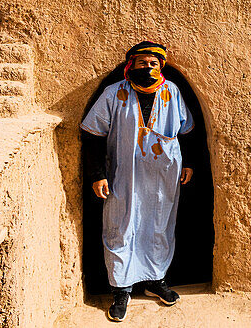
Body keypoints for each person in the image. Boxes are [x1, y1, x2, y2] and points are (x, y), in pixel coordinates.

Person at [81, 41, 196, 323]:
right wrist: (97, 174)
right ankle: (120, 289)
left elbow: (188, 129)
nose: (148, 68)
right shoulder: (114, 94)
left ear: (161, 67)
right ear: (131, 65)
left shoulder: (172, 92)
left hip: (162, 176)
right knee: (122, 226)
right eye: (143, 63)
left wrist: (190, 162)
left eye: (154, 64)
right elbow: (92, 133)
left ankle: (155, 280)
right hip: (124, 174)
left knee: (158, 225)